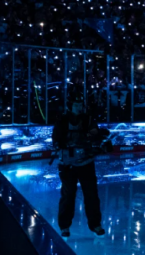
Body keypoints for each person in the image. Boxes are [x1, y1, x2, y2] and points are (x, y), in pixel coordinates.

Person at [52, 94, 109, 238]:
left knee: (92, 195)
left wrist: (96, 138)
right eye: (76, 105)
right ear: (70, 106)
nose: (78, 107)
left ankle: (95, 224)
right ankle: (64, 226)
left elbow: (97, 135)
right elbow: (56, 140)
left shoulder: (88, 119)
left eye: (80, 105)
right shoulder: (62, 120)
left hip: (86, 163)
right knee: (68, 195)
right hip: (68, 164)